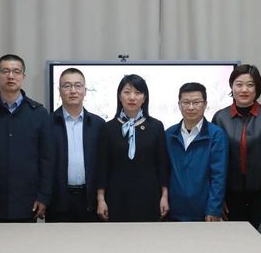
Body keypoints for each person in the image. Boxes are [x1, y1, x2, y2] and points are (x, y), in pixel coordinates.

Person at [0, 54, 53, 225]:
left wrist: (43, 197)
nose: (11, 76)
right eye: (5, 71)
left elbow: (47, 160)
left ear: (23, 76)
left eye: (16, 72)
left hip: (28, 203)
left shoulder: (39, 114)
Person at [211, 64, 261, 229]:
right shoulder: (220, 118)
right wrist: (218, 198)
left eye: (250, 85)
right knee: (232, 240)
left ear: (257, 88)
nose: (244, 89)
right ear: (232, 87)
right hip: (229, 197)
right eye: (239, 84)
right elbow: (213, 163)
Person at [97, 74, 170, 221]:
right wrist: (100, 199)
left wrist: (164, 196)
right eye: (127, 92)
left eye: (137, 93)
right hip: (116, 196)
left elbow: (162, 165)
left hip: (149, 195)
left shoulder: (156, 126)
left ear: (144, 97)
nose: (132, 97)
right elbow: (102, 166)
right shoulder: (108, 128)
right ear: (119, 96)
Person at [47, 68, 104, 222]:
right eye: (67, 86)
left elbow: (103, 165)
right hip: (58, 200)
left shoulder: (98, 124)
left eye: (78, 86)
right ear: (59, 91)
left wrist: (102, 198)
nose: (73, 91)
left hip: (90, 200)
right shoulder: (47, 123)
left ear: (85, 91)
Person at [165, 82, 228, 221]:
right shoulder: (169, 135)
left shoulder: (216, 135)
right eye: (186, 102)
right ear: (179, 105)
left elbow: (218, 176)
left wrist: (213, 209)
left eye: (196, 102)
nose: (191, 107)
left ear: (205, 104)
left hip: (203, 212)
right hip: (173, 210)